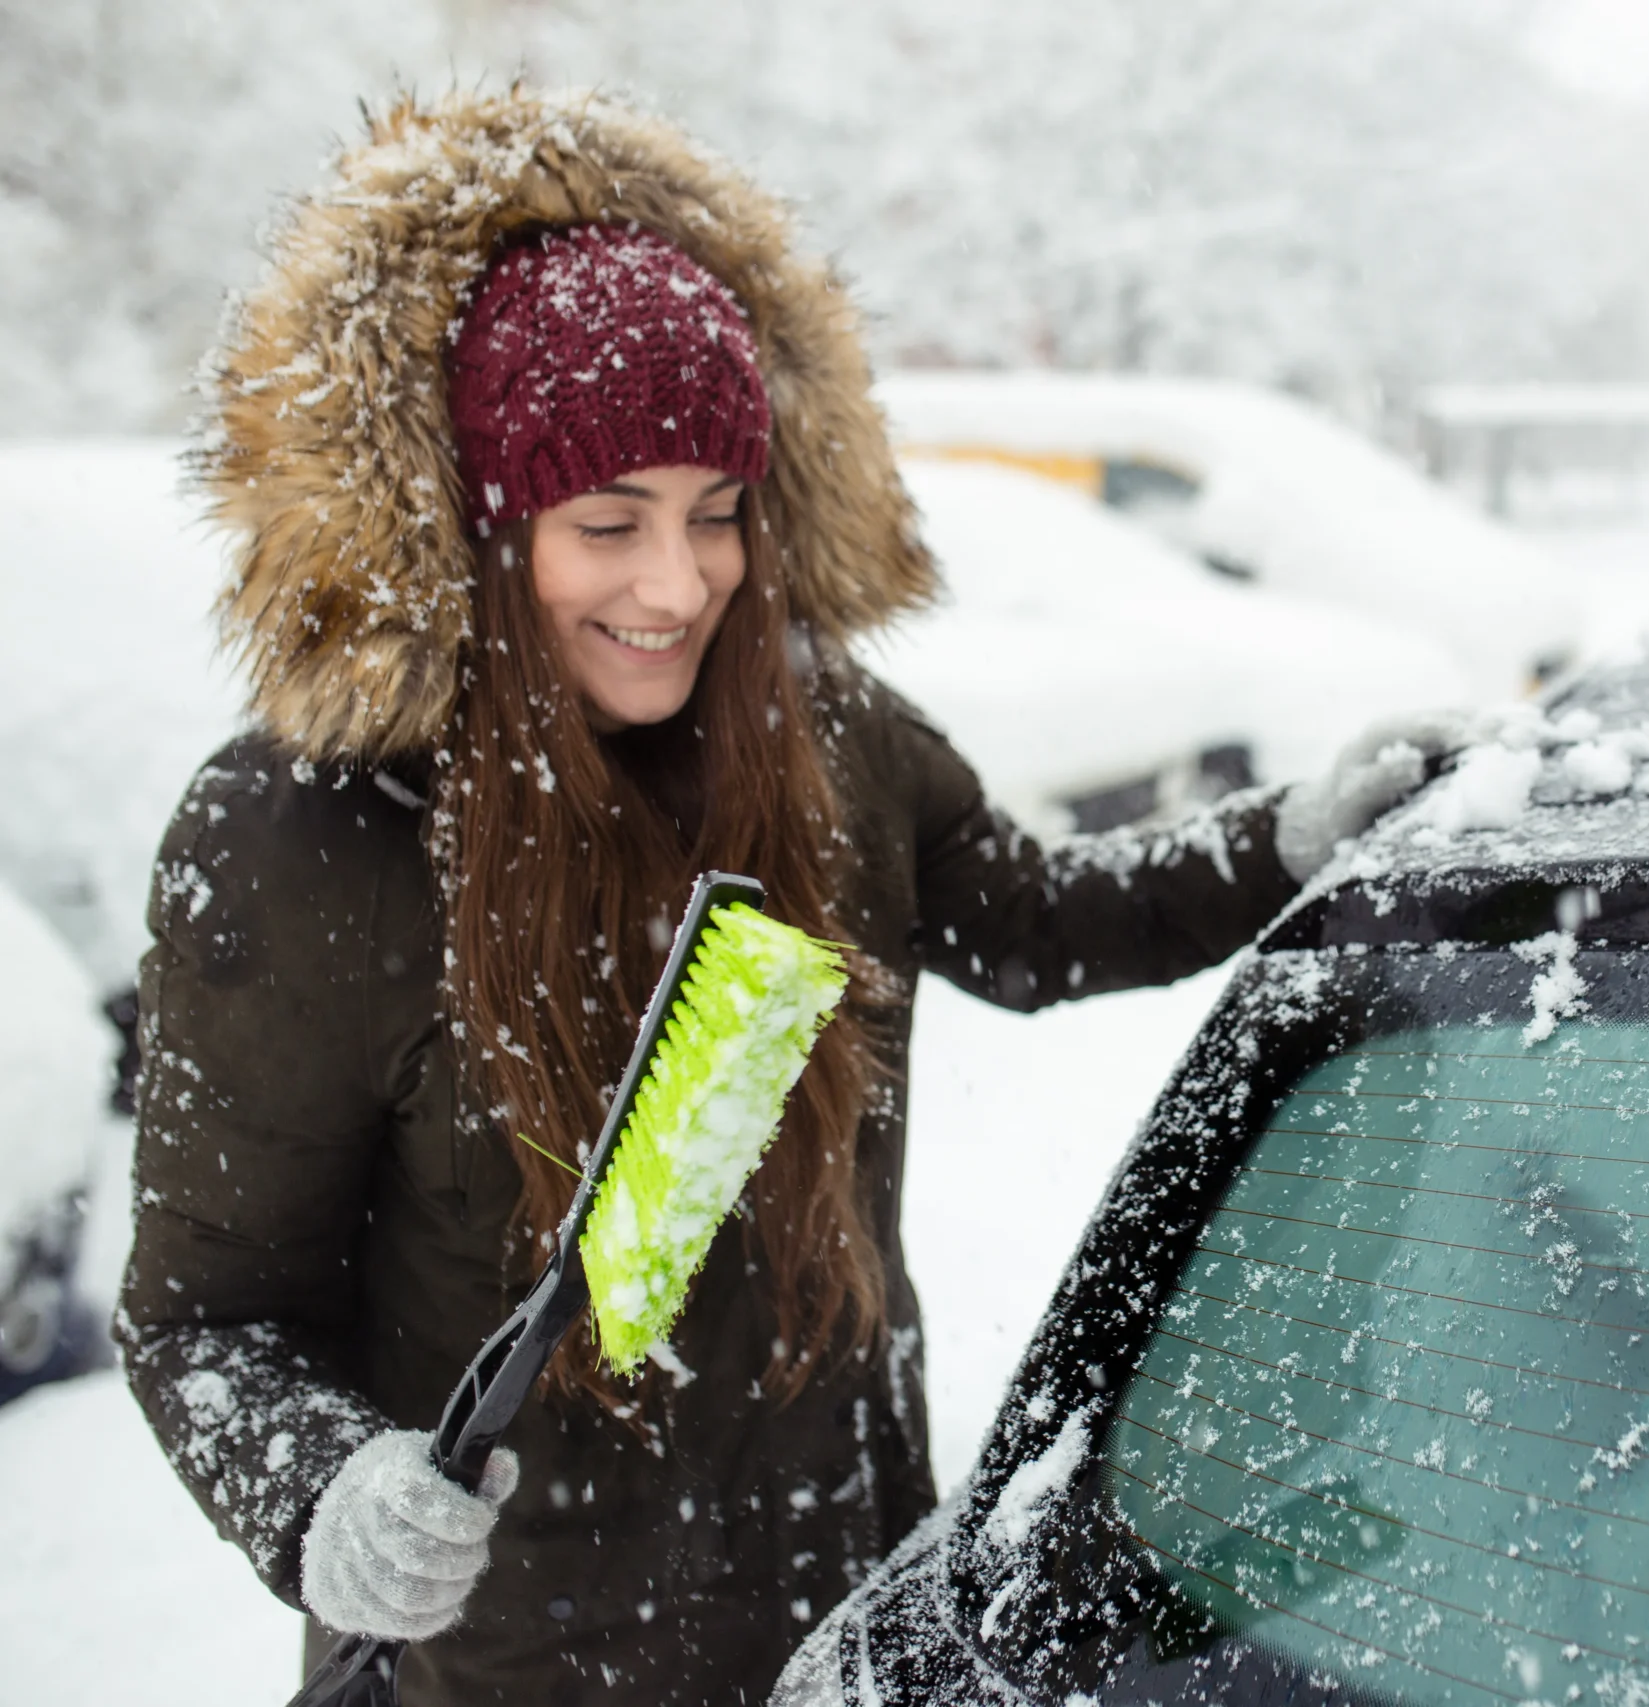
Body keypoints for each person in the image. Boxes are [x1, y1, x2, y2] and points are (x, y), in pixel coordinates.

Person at [119, 88, 1446, 1705]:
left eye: (716, 514)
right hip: (508, 1670)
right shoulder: (310, 839)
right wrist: (321, 1490)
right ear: (480, 525)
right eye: (605, 522)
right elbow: (207, 1319)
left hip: (843, 1625)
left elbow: (1033, 918)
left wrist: (1284, 840)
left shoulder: (823, 742)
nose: (675, 585)